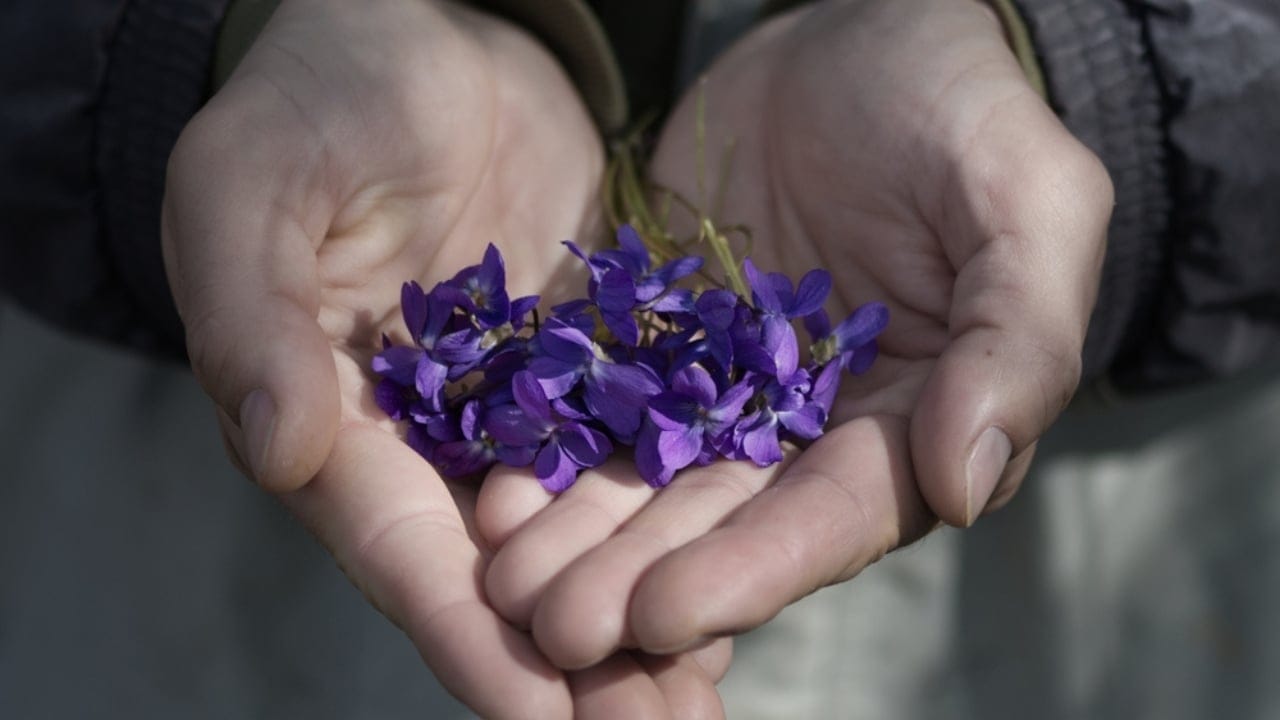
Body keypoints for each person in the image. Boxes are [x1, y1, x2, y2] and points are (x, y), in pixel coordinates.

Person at [2, 0, 1277, 718]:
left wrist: (1082, 52)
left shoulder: (712, 350)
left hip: (1132, 510)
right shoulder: (590, 352)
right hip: (146, 453)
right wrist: (192, 34)